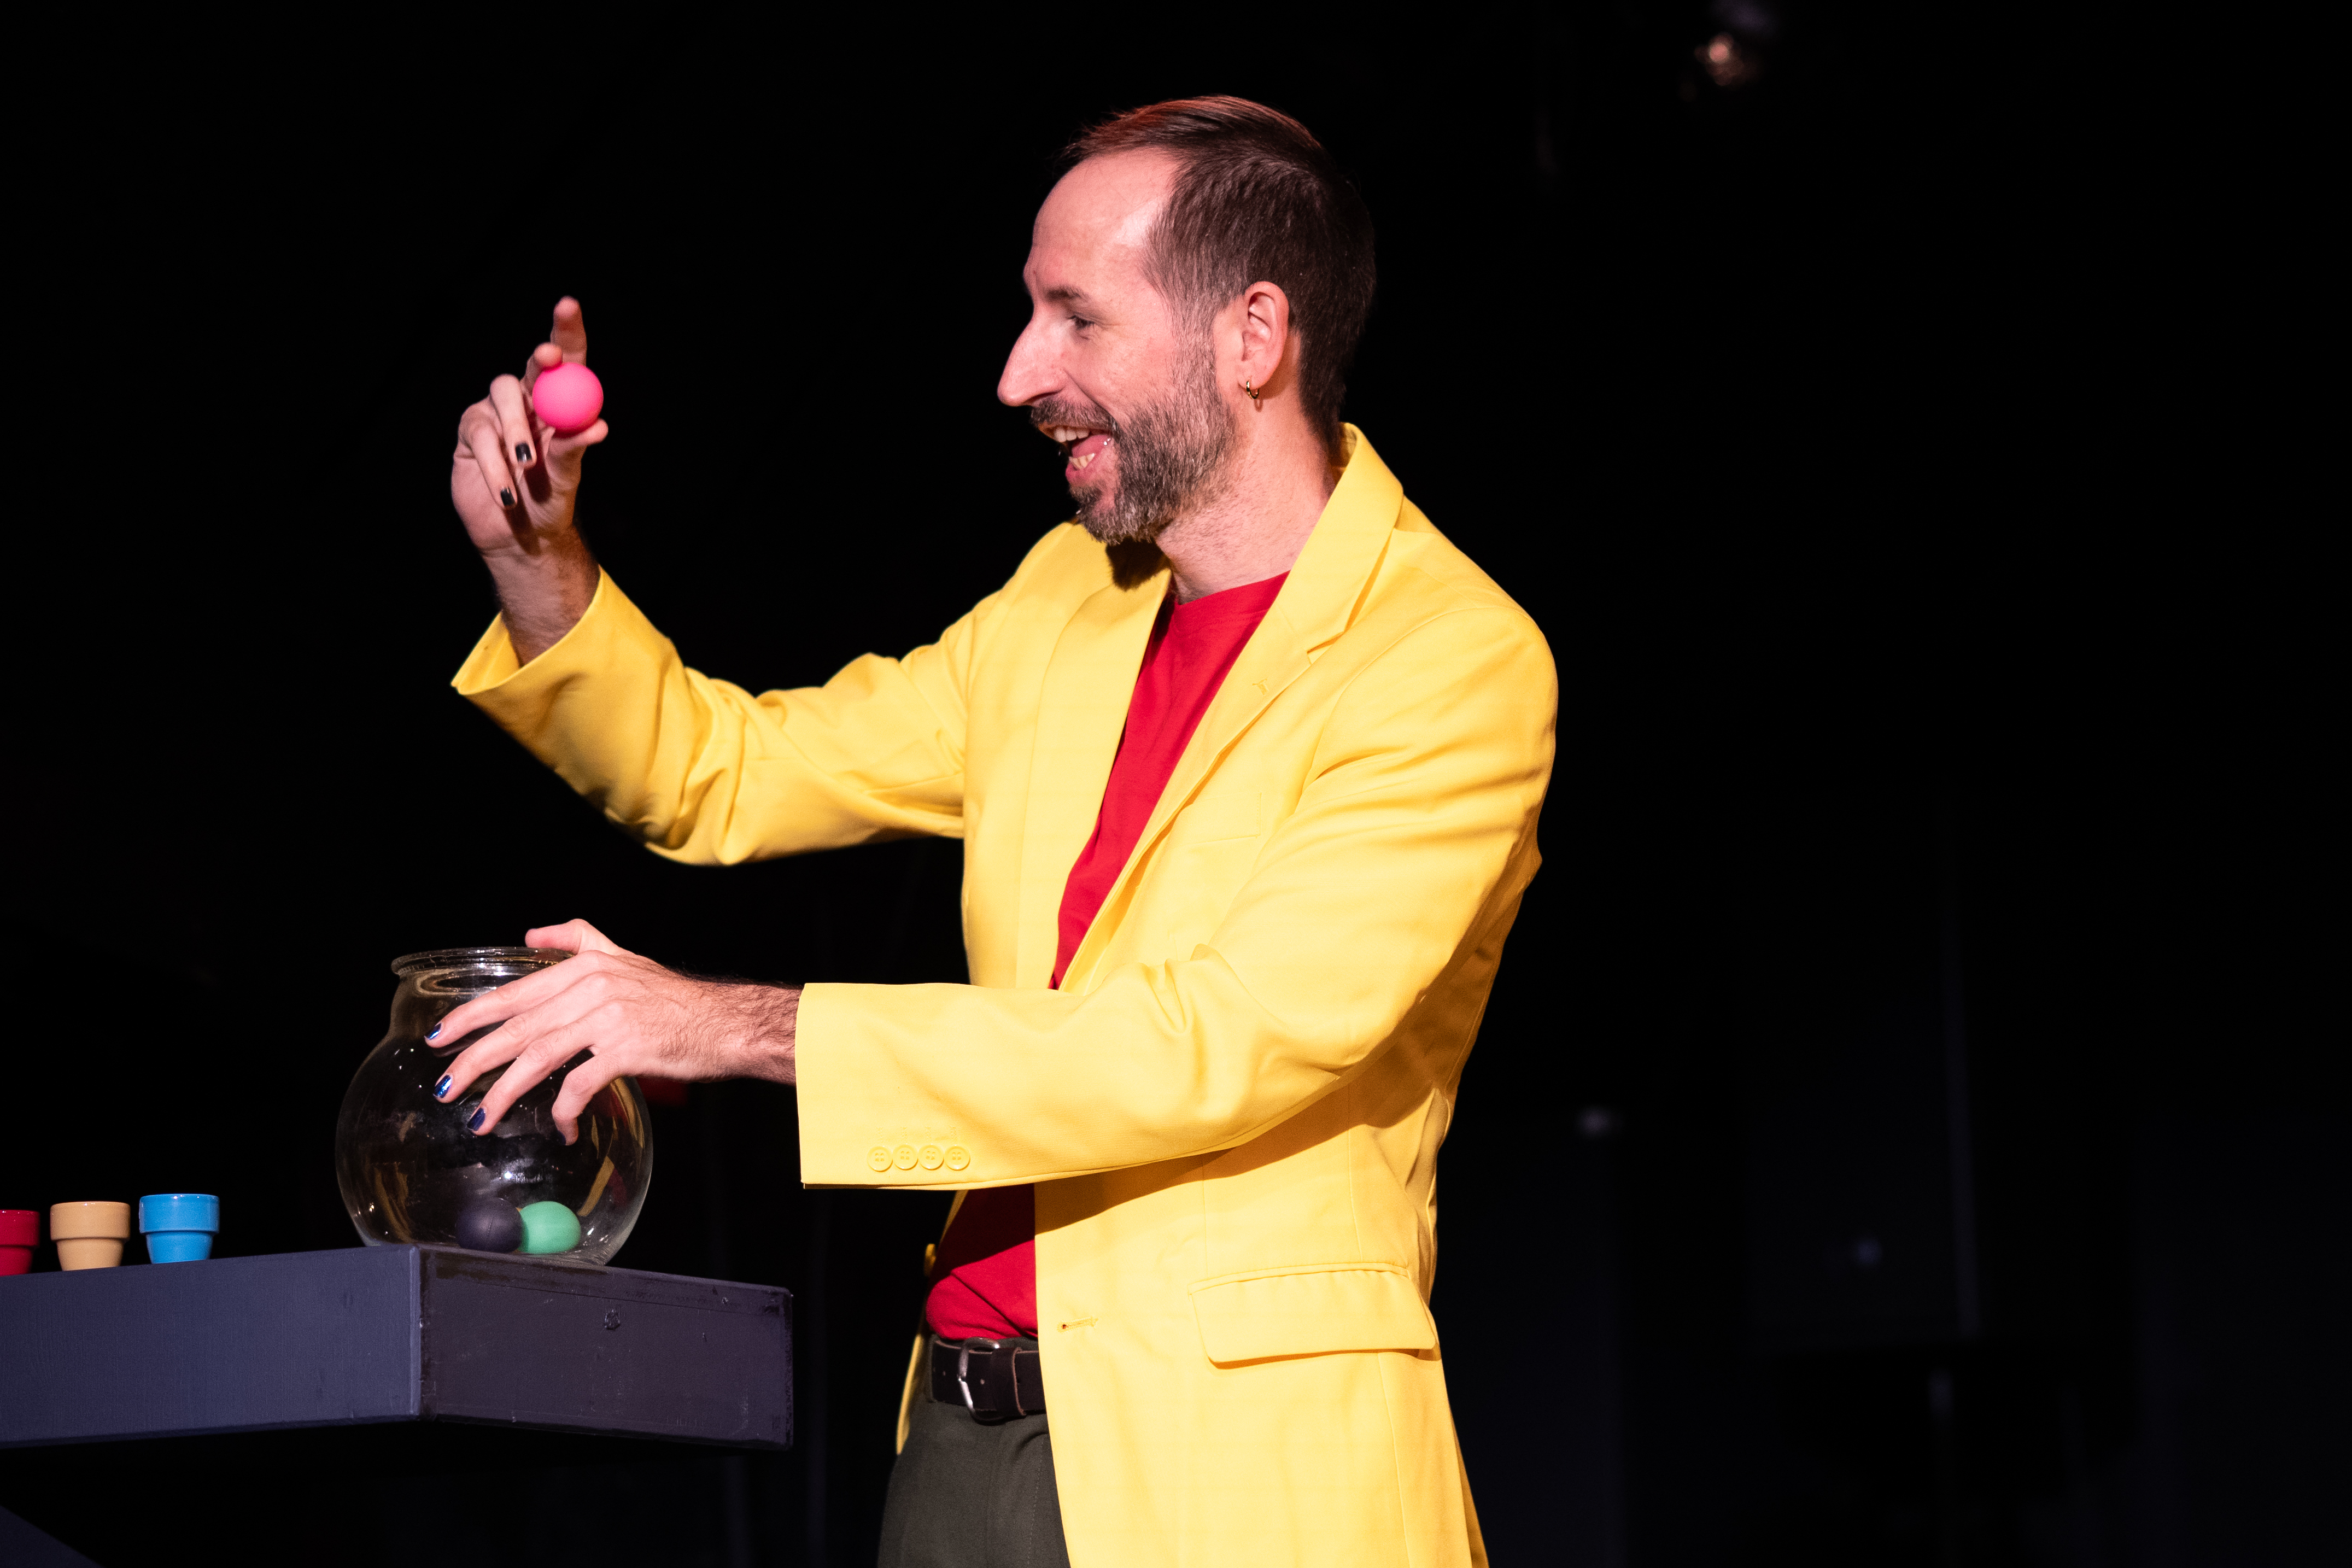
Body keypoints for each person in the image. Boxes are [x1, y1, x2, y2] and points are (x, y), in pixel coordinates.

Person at [426, 97, 1554, 1568]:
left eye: (1075, 317)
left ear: (1252, 336)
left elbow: (1204, 1044)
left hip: (1237, 1472)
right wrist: (540, 563)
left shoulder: (1451, 660)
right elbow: (726, 773)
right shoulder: (1061, 601)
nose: (1021, 372)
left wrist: (735, 1025)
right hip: (962, 1441)